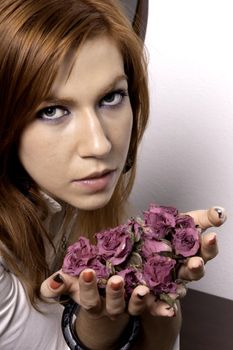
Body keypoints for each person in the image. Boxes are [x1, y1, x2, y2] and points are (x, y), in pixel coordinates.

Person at [0, 1, 226, 349]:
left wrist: (161, 323)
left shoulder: (83, 197)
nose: (99, 143)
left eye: (111, 97)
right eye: (52, 111)